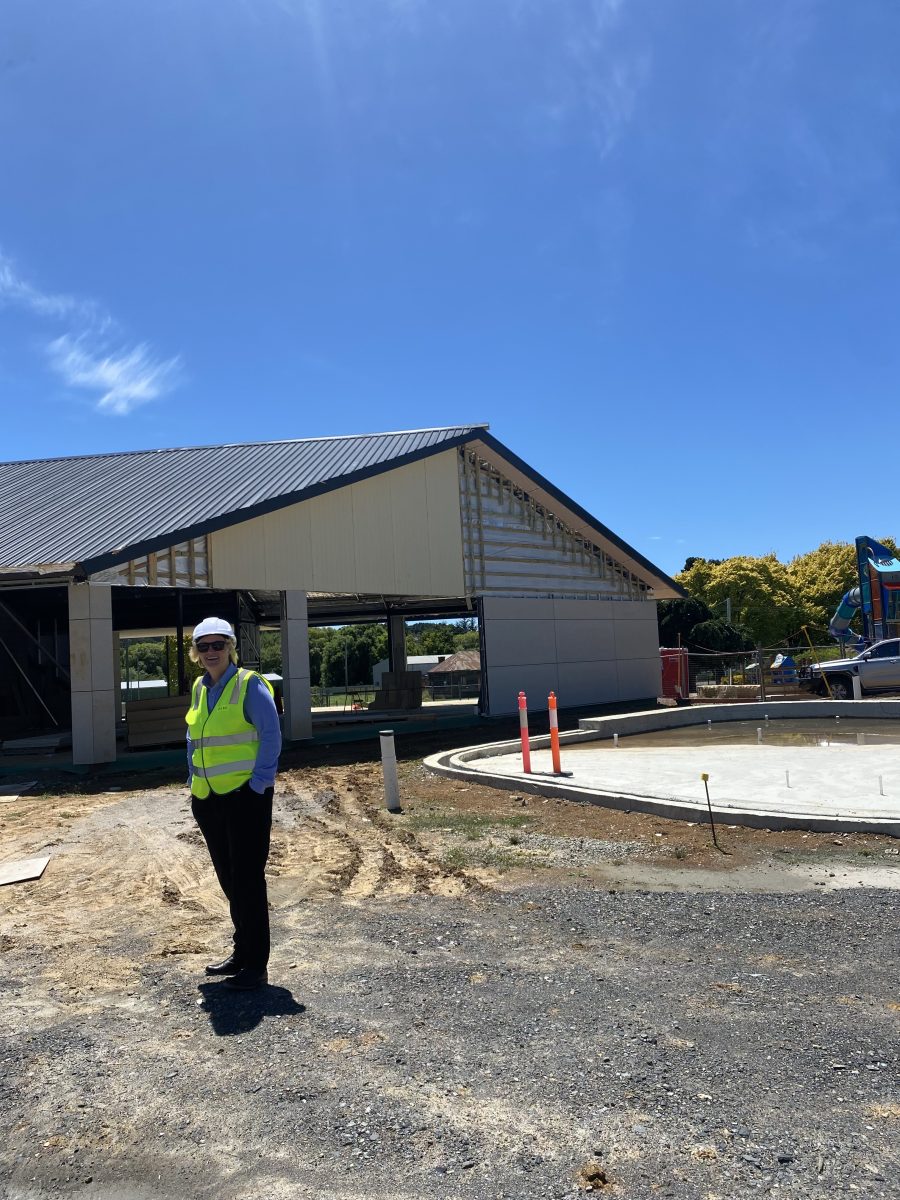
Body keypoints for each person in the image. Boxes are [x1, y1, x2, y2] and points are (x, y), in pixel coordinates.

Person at [185, 616, 282, 990]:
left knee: (247, 880)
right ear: (196, 652)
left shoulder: (249, 685)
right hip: (208, 799)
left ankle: (256, 966)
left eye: (218, 645)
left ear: (230, 648)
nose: (211, 652)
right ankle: (242, 952)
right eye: (204, 646)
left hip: (245, 798)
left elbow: (271, 737)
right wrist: (192, 779)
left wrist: (259, 785)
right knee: (229, 879)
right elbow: (195, 737)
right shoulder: (199, 688)